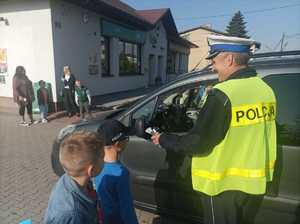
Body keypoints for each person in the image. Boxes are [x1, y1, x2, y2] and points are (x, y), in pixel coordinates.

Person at [151, 35, 277, 224]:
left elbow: (198, 143)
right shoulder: (265, 89)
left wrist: (163, 139)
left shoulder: (224, 94)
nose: (212, 66)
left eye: (215, 61)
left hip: (222, 186)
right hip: (253, 183)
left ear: (230, 60)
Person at [44, 131, 104, 224]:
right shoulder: (73, 213)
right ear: (91, 170)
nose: (104, 161)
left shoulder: (70, 179)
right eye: (102, 158)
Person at [95, 119, 139, 224]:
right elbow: (127, 209)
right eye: (126, 139)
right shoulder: (121, 173)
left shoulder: (95, 168)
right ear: (118, 145)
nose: (127, 141)